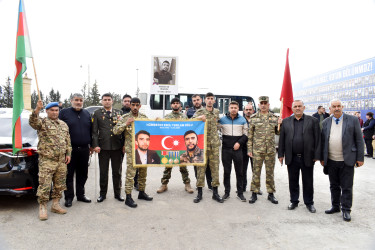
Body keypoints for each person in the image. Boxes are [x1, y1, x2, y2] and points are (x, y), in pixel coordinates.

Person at [321, 99, 364, 222]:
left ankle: (346, 209)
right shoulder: (326, 122)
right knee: (334, 185)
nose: (336, 108)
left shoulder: (353, 120)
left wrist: (360, 158)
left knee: (346, 186)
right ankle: (335, 206)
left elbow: (359, 140)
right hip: (331, 160)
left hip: (347, 160)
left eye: (338, 106)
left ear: (342, 107)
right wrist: (323, 159)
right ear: (330, 108)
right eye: (334, 106)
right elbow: (323, 141)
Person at [29, 100, 71, 220]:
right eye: (51, 110)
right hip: (47, 160)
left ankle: (55, 205)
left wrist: (68, 153)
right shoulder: (42, 123)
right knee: (45, 185)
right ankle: (42, 207)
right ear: (47, 111)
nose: (54, 112)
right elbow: (32, 121)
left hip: (61, 161)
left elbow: (68, 140)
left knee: (59, 184)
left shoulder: (63, 124)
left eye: (56, 110)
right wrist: (37, 109)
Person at [278, 100, 321, 213]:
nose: (297, 108)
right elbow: (282, 139)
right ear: (292, 108)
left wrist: (317, 155)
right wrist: (281, 154)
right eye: (295, 106)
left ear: (304, 107)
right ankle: (294, 201)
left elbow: (318, 139)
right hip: (291, 157)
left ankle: (309, 203)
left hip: (307, 157)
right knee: (293, 180)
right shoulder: (286, 122)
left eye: (299, 106)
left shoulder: (313, 121)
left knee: (308, 181)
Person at [113, 97, 153, 208]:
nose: (135, 107)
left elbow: (152, 130)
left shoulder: (144, 117)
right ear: (130, 105)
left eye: (137, 105)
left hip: (144, 150)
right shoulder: (125, 117)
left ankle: (141, 192)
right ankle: (128, 197)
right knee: (131, 174)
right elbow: (115, 131)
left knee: (143, 172)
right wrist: (126, 123)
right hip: (131, 151)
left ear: (140, 106)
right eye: (133, 105)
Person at [59, 93, 92, 207]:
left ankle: (81, 195)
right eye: (76, 100)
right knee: (68, 175)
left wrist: (91, 145)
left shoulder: (86, 113)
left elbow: (91, 131)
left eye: (81, 100)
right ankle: (68, 197)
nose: (79, 102)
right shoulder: (64, 113)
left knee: (83, 174)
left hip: (84, 150)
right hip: (69, 150)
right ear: (71, 100)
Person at [248, 96, 282, 204]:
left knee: (270, 173)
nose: (263, 105)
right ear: (258, 105)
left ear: (268, 105)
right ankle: (254, 193)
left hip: (270, 151)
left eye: (265, 103)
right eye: (261, 103)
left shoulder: (274, 118)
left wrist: (280, 124)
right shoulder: (253, 118)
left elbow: (278, 133)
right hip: (257, 151)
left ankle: (271, 194)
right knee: (256, 173)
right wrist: (250, 149)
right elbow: (250, 136)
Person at [156, 97, 194, 194]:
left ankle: (187, 184)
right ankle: (164, 184)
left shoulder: (184, 117)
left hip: (181, 145)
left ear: (180, 105)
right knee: (168, 165)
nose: (176, 104)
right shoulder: (167, 117)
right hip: (170, 146)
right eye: (174, 103)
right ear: (171, 105)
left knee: (183, 165)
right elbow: (162, 129)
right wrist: (157, 122)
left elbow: (190, 128)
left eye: (177, 103)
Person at [92, 93, 124, 203]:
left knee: (117, 172)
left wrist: (123, 144)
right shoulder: (97, 113)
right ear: (102, 101)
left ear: (112, 101)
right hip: (103, 147)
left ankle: (117, 193)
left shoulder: (119, 113)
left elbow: (123, 130)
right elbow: (94, 131)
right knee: (103, 172)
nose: (107, 101)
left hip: (117, 147)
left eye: (109, 99)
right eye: (105, 100)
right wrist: (95, 145)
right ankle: (102, 194)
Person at [193, 92, 224, 203]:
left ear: (214, 101)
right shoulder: (200, 112)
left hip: (214, 145)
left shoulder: (216, 112)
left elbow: (218, 124)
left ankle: (215, 193)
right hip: (202, 145)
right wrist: (199, 118)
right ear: (204, 100)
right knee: (201, 169)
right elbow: (191, 124)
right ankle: (199, 193)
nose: (210, 100)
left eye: (212, 98)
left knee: (215, 169)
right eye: (208, 98)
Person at [219, 101, 248, 202]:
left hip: (238, 150)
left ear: (238, 108)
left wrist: (239, 143)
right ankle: (227, 192)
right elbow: (214, 129)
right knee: (227, 172)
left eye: (235, 107)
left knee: (239, 172)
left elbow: (246, 134)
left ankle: (240, 193)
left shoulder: (242, 119)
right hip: (226, 150)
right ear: (229, 108)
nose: (233, 109)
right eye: (232, 107)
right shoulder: (222, 120)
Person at [187, 94, 213, 189]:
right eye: (194, 100)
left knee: (209, 166)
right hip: (197, 143)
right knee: (197, 165)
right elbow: (188, 123)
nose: (196, 102)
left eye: (198, 100)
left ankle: (210, 184)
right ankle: (199, 185)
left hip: (209, 142)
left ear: (201, 100)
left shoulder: (208, 110)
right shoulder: (189, 111)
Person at [242, 103, 258, 193]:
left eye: (250, 110)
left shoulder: (256, 120)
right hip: (243, 148)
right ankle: (243, 187)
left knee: (255, 170)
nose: (248, 111)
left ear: (253, 110)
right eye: (246, 110)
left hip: (255, 148)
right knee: (243, 169)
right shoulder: (240, 120)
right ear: (244, 111)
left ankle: (255, 188)